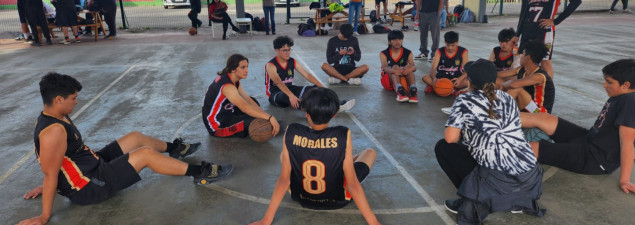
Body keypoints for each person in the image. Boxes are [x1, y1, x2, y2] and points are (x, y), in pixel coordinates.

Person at [18, 72, 232, 225]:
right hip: (89, 186)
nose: (77, 102)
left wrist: (49, 183)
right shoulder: (52, 132)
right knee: (145, 155)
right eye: (73, 98)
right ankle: (201, 173)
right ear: (58, 99)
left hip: (92, 164)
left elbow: (56, 164)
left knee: (135, 138)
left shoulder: (56, 114)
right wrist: (44, 215)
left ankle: (174, 149)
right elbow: (50, 172)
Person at [435, 59, 545, 224]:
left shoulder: (464, 100)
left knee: (444, 147)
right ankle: (516, 200)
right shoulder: (507, 98)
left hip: (497, 181)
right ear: (494, 81)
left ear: (469, 82)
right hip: (530, 177)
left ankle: (469, 197)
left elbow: (451, 137)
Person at [250, 87, 380, 225]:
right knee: (370, 153)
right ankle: (342, 162)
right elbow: (352, 184)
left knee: (285, 154)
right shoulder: (342, 134)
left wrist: (266, 220)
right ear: (334, 114)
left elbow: (283, 180)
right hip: (337, 200)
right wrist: (374, 223)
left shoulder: (292, 131)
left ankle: (339, 162)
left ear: (306, 114)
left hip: (301, 197)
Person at [520, 59, 635, 194]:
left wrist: (624, 180)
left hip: (591, 158)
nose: (604, 85)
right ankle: (494, 120)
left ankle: (492, 147)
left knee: (532, 147)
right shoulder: (621, 95)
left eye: (609, 82)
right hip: (588, 139)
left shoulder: (630, 101)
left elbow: (627, 143)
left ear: (626, 85)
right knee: (545, 118)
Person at [265, 36, 356, 110]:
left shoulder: (292, 61)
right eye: (284, 50)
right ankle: (315, 109)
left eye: (289, 50)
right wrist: (291, 96)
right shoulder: (271, 65)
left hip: (290, 89)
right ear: (277, 50)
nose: (288, 53)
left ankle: (337, 104)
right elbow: (278, 82)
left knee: (317, 90)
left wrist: (322, 86)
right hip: (276, 94)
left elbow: (307, 75)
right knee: (285, 96)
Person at [202, 54, 280, 139]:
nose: (247, 70)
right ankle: (272, 128)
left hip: (225, 112)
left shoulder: (232, 79)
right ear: (233, 69)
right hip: (217, 126)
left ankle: (270, 122)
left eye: (247, 67)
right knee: (256, 124)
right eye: (243, 67)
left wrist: (265, 115)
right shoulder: (228, 86)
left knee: (253, 102)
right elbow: (244, 107)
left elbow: (247, 99)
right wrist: (269, 118)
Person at [514, 0, 581, 78]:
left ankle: (548, 89)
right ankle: (523, 86)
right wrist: (517, 33)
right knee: (521, 60)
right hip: (527, 30)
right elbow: (524, 12)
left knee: (545, 62)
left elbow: (576, 2)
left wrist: (556, 21)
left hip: (544, 31)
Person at [499, 40, 555, 113]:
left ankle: (498, 112)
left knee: (516, 89)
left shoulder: (540, 76)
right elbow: (499, 74)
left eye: (523, 54)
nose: (521, 56)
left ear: (528, 57)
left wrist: (503, 85)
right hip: (528, 107)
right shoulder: (521, 69)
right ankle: (493, 107)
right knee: (498, 81)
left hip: (540, 113)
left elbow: (514, 84)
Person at [423, 31, 469, 96]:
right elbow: (433, 68)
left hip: (455, 79)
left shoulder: (463, 51)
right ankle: (452, 90)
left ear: (457, 42)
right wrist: (434, 79)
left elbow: (467, 70)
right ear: (445, 42)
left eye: (453, 45)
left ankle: (437, 88)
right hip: (441, 79)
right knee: (425, 78)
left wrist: (460, 79)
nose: (450, 48)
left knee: (468, 82)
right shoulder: (439, 51)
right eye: (448, 45)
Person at [379, 30, 417, 103]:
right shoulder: (383, 53)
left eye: (400, 39)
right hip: (388, 80)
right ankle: (400, 93)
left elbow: (414, 67)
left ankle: (413, 91)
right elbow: (385, 68)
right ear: (389, 42)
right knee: (395, 66)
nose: (398, 42)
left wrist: (410, 69)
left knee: (409, 67)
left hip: (403, 76)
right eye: (394, 40)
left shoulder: (408, 52)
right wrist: (395, 71)